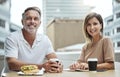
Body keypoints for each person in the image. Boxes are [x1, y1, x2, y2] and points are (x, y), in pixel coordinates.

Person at [4, 6, 63, 73]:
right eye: (28, 18)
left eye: (35, 19)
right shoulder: (12, 38)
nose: (32, 21)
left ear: (39, 23)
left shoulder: (45, 39)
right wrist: (41, 66)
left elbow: (54, 59)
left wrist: (58, 66)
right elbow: (12, 64)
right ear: (22, 22)